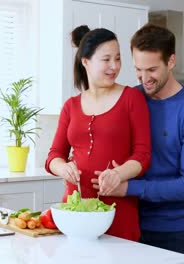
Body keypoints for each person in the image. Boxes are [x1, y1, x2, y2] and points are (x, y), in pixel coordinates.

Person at [92, 23, 184, 256]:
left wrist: (127, 187)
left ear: (171, 61)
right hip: (126, 221)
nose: (144, 78)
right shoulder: (132, 98)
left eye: (152, 70)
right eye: (139, 69)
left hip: (172, 231)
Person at [45, 25, 151, 241]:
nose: (115, 66)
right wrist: (63, 168)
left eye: (118, 58)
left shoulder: (132, 98)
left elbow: (143, 155)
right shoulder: (71, 106)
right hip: (75, 212)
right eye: (106, 59)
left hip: (118, 210)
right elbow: (53, 156)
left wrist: (118, 175)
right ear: (86, 61)